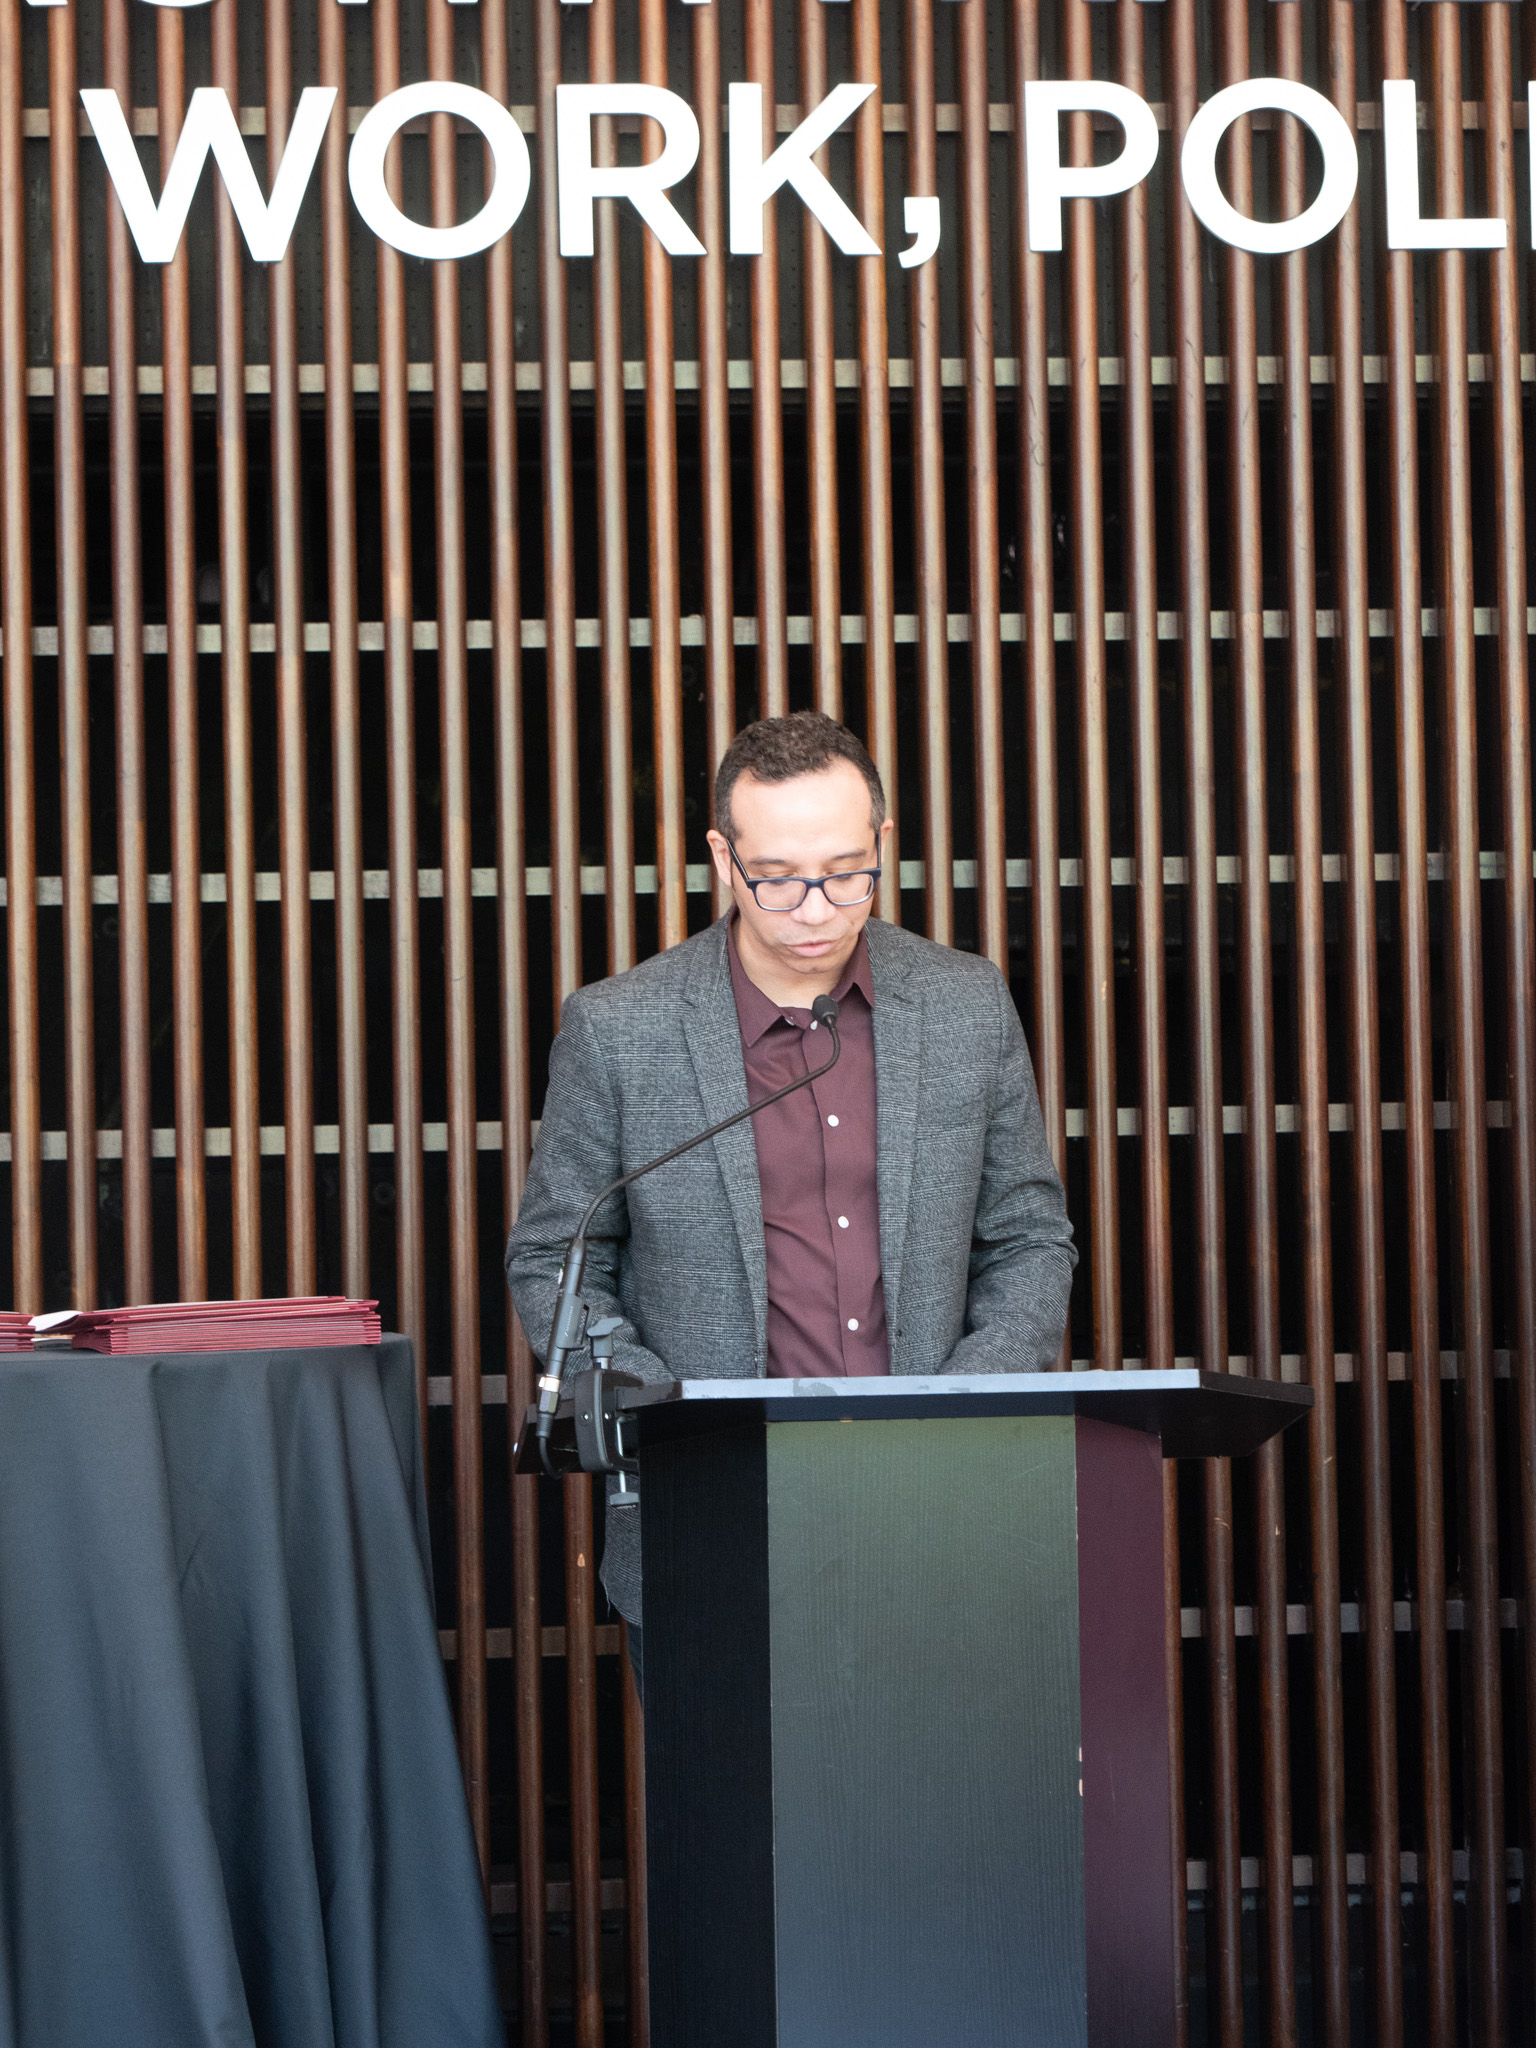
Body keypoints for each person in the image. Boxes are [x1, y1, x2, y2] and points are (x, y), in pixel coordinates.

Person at [505, 711, 1076, 1697]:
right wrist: (675, 1419)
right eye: (776, 876)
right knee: (735, 1844)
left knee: (940, 1839)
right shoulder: (619, 1027)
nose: (815, 907)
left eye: (847, 871)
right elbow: (557, 1260)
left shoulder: (964, 1003)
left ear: (884, 845)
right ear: (722, 855)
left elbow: (1030, 1237)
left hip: (941, 1513)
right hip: (714, 1521)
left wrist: (958, 1406)